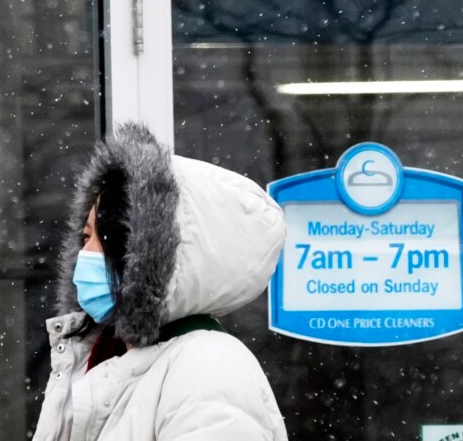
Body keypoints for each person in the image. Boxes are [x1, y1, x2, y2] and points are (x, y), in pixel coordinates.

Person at [33, 122, 288, 441]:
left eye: (96, 237)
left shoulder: (208, 367)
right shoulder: (114, 362)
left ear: (139, 249)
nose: (82, 253)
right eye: (83, 237)